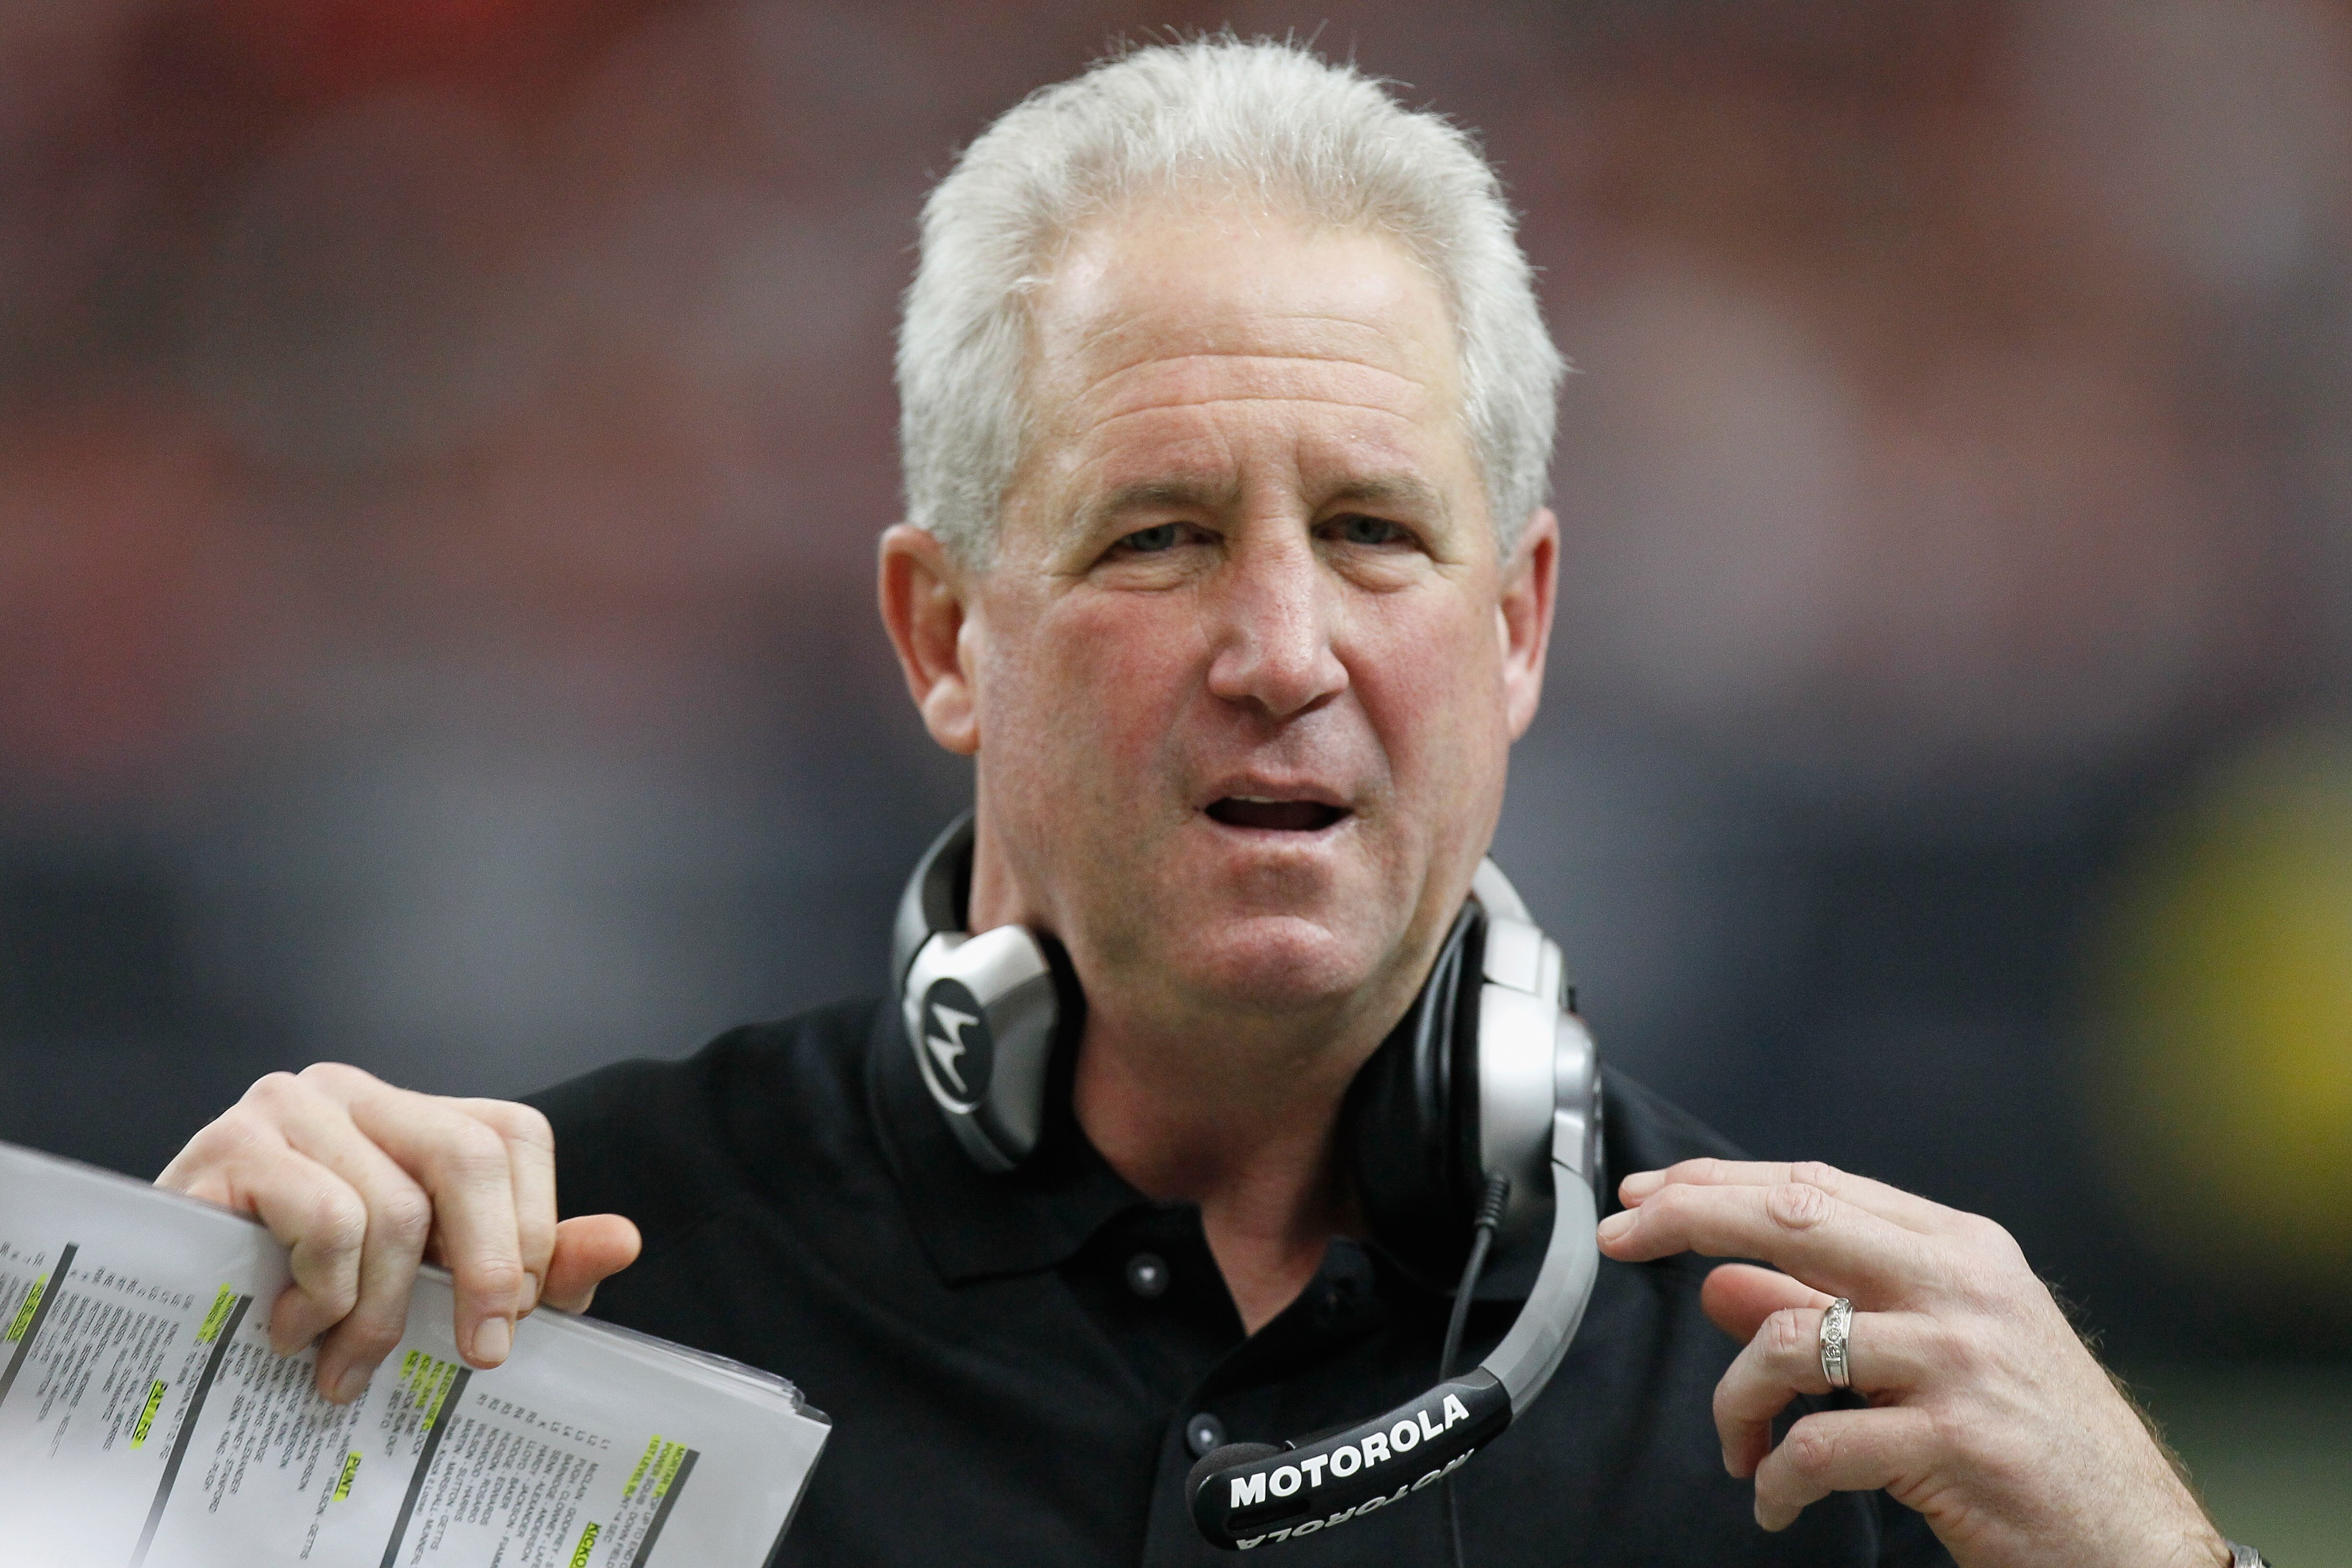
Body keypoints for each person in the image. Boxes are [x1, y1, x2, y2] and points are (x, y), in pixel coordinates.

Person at [159, 37, 2242, 1568]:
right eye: (1158, 536)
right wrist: (139, 1416)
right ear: (946, 634)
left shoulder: (1810, 1401)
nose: (1283, 649)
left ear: (1515, 626)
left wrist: (2157, 1556)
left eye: (1370, 532)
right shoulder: (546, 1306)